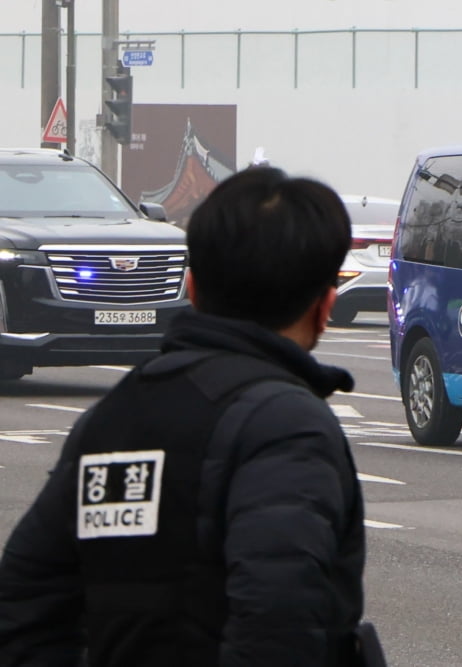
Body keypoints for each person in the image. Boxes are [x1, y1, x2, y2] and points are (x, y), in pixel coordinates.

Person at [0, 167, 374, 666]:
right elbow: (277, 622)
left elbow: (24, 600)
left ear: (193, 289)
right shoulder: (286, 425)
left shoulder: (113, 416)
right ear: (324, 306)